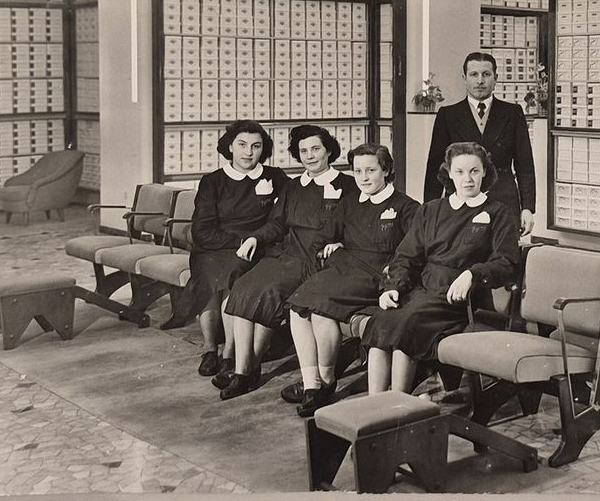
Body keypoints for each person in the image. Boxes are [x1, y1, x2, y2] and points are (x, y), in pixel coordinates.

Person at [362, 141, 519, 394]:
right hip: (423, 289)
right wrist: (392, 288)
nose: (468, 179)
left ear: (485, 172)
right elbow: (406, 256)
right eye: (460, 172)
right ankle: (375, 404)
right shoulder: (431, 210)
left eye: (474, 171)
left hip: (460, 298)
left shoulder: (498, 212)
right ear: (449, 174)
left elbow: (506, 262)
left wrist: (472, 274)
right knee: (382, 318)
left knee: (407, 324)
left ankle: (398, 404)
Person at [217, 124, 358, 400]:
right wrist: (255, 237)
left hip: (319, 260)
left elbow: (358, 224)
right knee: (244, 287)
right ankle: (243, 371)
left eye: (315, 149)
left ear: (329, 151)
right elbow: (277, 223)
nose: (310, 156)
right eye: (303, 151)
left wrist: (341, 242)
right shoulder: (294, 186)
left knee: (270, 292)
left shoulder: (348, 185)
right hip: (288, 254)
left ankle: (249, 368)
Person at [282, 143, 420, 416]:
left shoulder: (406, 207)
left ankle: (326, 381)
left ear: (386, 170)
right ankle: (312, 384)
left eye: (371, 170)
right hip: (344, 268)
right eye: (358, 171)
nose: (363, 178)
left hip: (376, 275)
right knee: (298, 307)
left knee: (319, 308)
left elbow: (412, 251)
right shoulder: (349, 202)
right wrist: (331, 244)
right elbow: (325, 235)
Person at [162, 120, 289, 380]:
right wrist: (240, 241)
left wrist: (253, 240)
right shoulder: (212, 181)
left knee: (233, 275)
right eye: (242, 145)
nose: (248, 152)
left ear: (263, 149)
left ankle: (230, 352)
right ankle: (210, 348)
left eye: (256, 146)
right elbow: (201, 231)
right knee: (209, 276)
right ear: (230, 147)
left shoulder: (275, 177)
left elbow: (287, 212)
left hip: (256, 247)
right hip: (214, 246)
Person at [423, 52, 536, 237]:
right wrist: (430, 209)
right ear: (464, 78)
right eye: (474, 74)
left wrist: (528, 207)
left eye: (486, 74)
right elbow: (435, 166)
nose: (480, 81)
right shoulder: (448, 115)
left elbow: (525, 164)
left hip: (504, 201)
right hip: (460, 202)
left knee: (504, 252)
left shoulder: (512, 113)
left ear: (495, 78)